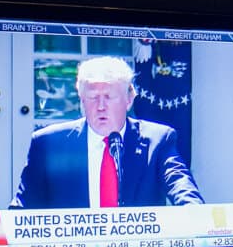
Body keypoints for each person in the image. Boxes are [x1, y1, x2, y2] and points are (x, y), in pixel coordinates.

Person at [11, 56, 203, 209]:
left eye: (109, 97)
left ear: (129, 99)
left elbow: (181, 185)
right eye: (93, 97)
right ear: (82, 100)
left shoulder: (158, 140)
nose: (100, 107)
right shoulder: (48, 144)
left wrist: (195, 214)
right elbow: (22, 210)